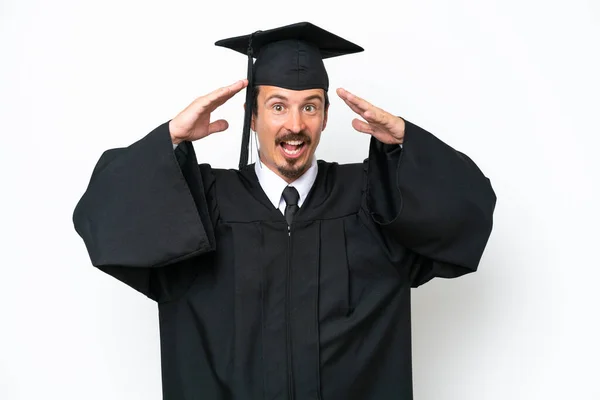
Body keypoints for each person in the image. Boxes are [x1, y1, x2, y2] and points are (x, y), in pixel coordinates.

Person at [73, 21, 496, 400]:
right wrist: (170, 139)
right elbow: (104, 219)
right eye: (277, 106)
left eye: (309, 106)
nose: (295, 124)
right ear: (251, 117)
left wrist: (407, 141)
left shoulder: (373, 201)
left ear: (326, 116)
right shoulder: (203, 203)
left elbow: (469, 210)